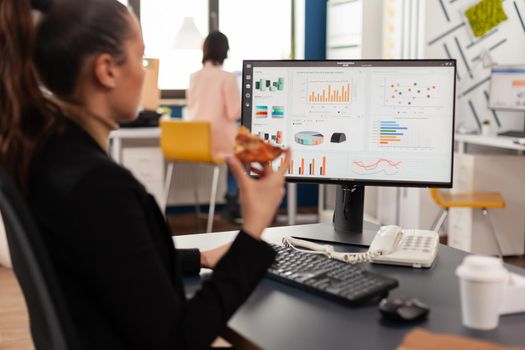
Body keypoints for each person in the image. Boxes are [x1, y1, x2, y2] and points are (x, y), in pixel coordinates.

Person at [0, 0, 290, 349]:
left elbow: (111, 259)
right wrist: (254, 228)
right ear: (106, 70)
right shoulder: (99, 188)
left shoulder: (47, 155)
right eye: (139, 58)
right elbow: (179, 340)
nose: (143, 71)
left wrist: (201, 257)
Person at [186, 31, 242, 223]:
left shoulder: (194, 77)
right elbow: (234, 113)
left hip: (196, 142)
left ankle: (232, 200)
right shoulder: (227, 77)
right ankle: (233, 203)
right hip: (220, 143)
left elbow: (192, 105)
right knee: (244, 151)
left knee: (234, 152)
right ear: (225, 51)